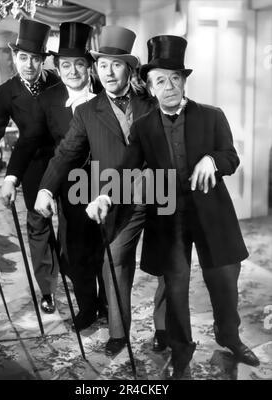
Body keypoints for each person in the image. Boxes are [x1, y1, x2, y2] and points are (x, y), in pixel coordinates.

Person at [86, 35, 260, 378]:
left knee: (224, 282)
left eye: (175, 79)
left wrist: (213, 159)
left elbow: (231, 156)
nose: (169, 86)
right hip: (169, 218)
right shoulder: (144, 127)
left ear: (184, 81)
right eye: (160, 80)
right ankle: (181, 351)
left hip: (213, 215)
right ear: (149, 88)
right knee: (176, 288)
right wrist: (105, 194)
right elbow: (127, 168)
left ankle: (230, 336)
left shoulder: (212, 116)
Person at [34, 25, 165, 356]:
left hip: (161, 192)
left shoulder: (152, 102)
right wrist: (46, 189)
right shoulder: (87, 112)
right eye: (103, 64)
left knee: (170, 263)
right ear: (96, 68)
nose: (108, 72)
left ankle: (165, 328)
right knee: (116, 260)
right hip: (119, 198)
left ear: (129, 69)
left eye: (116, 64)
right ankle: (119, 333)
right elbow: (65, 153)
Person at [4, 22, 107, 330]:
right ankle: (88, 306)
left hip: (109, 184)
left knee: (106, 249)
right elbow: (29, 140)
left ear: (88, 65)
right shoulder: (48, 100)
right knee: (76, 250)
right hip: (72, 186)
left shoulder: (107, 94)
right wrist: (11, 177)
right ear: (58, 68)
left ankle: (108, 304)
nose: (72, 71)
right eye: (65, 65)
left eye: (78, 64)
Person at [0, 19, 60, 314]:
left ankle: (76, 275)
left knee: (75, 228)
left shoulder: (59, 82)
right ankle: (47, 289)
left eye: (35, 59)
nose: (29, 65)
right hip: (32, 164)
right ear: (15, 57)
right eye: (24, 58)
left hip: (69, 163)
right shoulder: (4, 93)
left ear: (42, 60)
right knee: (38, 227)